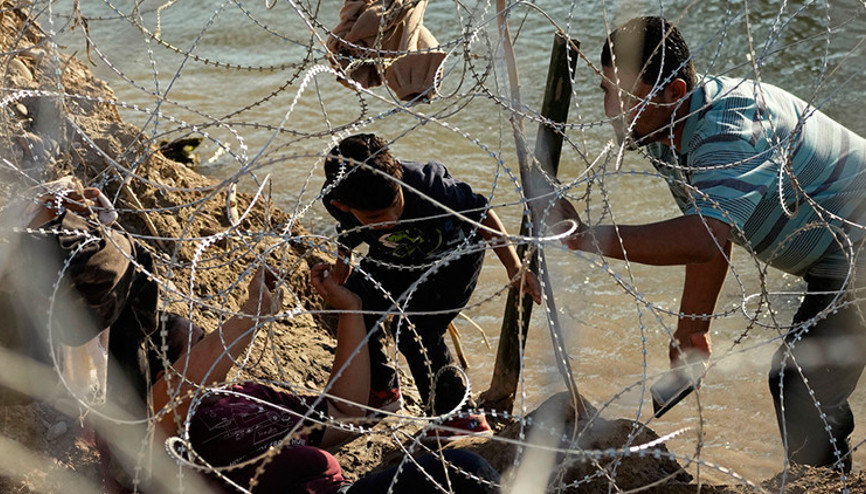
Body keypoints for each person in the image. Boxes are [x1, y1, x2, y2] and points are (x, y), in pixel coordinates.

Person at [555, 16, 866, 471]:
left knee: (801, 382)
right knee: (806, 383)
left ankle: (825, 482)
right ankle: (827, 476)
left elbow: (703, 238)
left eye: (623, 96)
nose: (610, 111)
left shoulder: (726, 130)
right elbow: (709, 230)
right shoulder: (666, 130)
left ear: (673, 93)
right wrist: (691, 328)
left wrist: (586, 238)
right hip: (838, 260)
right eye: (605, 90)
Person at [161, 263, 501, 493]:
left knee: (467, 471)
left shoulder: (246, 396)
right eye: (198, 344)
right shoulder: (162, 430)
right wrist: (255, 312)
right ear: (161, 370)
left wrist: (350, 311)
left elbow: (344, 413)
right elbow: (180, 388)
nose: (213, 343)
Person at [321, 133, 542, 436]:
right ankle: (382, 391)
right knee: (355, 301)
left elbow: (482, 213)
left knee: (415, 328)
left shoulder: (429, 186)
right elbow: (347, 233)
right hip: (396, 258)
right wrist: (340, 271)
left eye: (395, 206)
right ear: (342, 205)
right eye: (375, 217)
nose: (390, 219)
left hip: (454, 259)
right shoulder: (339, 196)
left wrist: (513, 266)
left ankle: (457, 415)